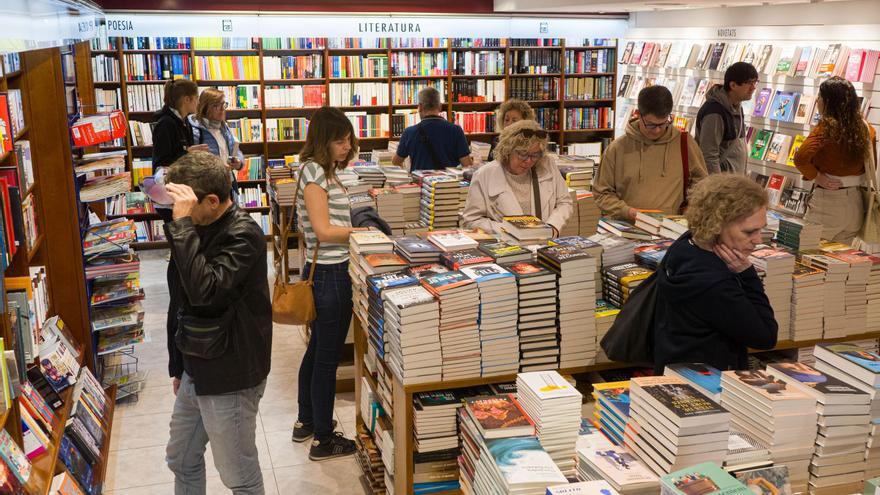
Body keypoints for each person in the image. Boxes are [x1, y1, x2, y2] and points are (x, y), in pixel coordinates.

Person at [162, 152, 272, 495]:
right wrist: (178, 365)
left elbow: (205, 293)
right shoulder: (198, 225)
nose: (175, 211)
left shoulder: (244, 235)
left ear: (212, 201)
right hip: (197, 363)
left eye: (183, 203)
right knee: (180, 458)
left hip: (230, 373)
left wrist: (181, 228)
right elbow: (178, 299)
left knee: (238, 474)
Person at [293, 107, 372, 460]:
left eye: (348, 139)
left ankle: (306, 420)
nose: (347, 145)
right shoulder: (314, 174)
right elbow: (324, 231)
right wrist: (363, 232)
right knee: (326, 357)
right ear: (324, 141)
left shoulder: (326, 172)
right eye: (340, 140)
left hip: (330, 270)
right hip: (330, 273)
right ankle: (324, 439)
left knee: (317, 351)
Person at [653, 174, 778, 373]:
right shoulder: (714, 284)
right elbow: (766, 337)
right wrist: (747, 273)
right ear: (716, 224)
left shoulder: (686, 243)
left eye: (761, 230)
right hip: (709, 382)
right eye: (749, 232)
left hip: (674, 364)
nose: (758, 240)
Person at [150, 79, 209, 382]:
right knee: (180, 278)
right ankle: (178, 364)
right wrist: (189, 154)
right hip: (174, 202)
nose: (197, 103)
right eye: (195, 98)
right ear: (186, 99)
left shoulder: (184, 122)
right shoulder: (165, 124)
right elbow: (162, 164)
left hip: (185, 196)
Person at [593, 85, 708, 221]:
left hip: (672, 228)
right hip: (629, 228)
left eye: (663, 123)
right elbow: (602, 193)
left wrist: (692, 206)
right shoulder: (617, 149)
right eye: (651, 124)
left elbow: (702, 183)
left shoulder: (685, 143)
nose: (657, 130)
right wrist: (625, 211)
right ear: (638, 115)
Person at [794, 76, 876, 244]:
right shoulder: (866, 128)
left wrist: (817, 176)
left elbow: (801, 158)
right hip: (856, 203)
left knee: (809, 256)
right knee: (841, 262)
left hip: (828, 202)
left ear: (828, 102)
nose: (817, 101)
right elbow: (871, 167)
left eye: (820, 97)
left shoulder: (826, 128)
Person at [461, 119, 572, 236]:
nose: (528, 161)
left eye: (535, 155)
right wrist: (509, 230)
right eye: (522, 154)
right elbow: (471, 221)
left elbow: (564, 202)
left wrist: (553, 227)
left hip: (544, 242)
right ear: (507, 151)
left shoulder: (547, 164)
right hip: (506, 247)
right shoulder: (485, 175)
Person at [695, 62, 758, 174]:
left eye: (755, 82)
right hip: (723, 185)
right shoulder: (714, 112)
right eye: (749, 83)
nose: (753, 88)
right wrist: (718, 188)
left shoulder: (737, 106)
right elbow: (709, 155)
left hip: (734, 183)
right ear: (733, 85)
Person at [392, 87, 473, 171]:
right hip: (448, 183)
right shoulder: (456, 130)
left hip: (419, 182)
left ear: (420, 106)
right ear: (440, 106)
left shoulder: (409, 132)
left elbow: (396, 162)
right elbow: (467, 165)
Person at [188, 88, 245, 196]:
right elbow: (193, 164)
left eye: (223, 105)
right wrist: (218, 168)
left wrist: (238, 162)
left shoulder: (224, 128)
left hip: (228, 185)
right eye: (216, 106)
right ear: (205, 108)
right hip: (208, 189)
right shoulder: (195, 131)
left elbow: (236, 152)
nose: (222, 109)